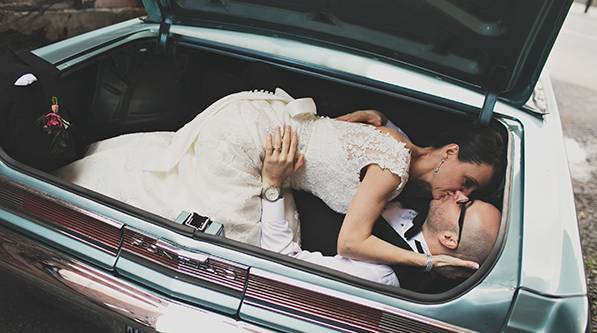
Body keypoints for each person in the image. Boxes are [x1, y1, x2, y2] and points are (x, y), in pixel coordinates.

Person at [55, 88, 503, 270]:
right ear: (450, 151)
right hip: (254, 142)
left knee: (176, 169)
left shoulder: (393, 137)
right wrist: (426, 262)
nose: (460, 193)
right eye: (467, 179)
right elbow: (350, 243)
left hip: (256, 117)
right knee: (235, 249)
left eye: (470, 193)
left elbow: (366, 128)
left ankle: (76, 176)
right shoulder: (391, 172)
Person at [259, 128, 502, 287]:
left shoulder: (381, 274)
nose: (460, 195)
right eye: (467, 186)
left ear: (449, 238)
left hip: (267, 200)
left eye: (466, 203)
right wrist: (384, 125)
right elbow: (404, 159)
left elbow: (282, 262)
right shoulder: (419, 201)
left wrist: (272, 185)